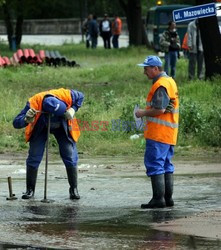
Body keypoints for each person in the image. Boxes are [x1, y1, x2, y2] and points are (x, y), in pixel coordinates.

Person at [13, 88, 84, 200]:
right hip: (41, 127)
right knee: (34, 155)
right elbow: (15, 123)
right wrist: (26, 119)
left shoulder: (66, 95)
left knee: (69, 154)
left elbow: (81, 96)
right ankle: (30, 190)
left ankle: (73, 189)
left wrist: (73, 109)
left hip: (63, 125)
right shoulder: (34, 102)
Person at [135, 55, 179, 209]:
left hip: (158, 134)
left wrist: (142, 113)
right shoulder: (170, 81)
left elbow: (159, 109)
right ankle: (168, 199)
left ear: (155, 68)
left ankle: (158, 199)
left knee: (155, 164)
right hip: (169, 133)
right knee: (166, 165)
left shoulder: (161, 84)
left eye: (146, 69)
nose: (144, 72)